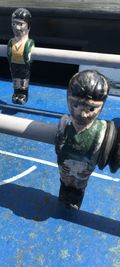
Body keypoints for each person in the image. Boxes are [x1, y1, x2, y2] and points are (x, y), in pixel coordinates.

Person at [55, 70, 110, 209]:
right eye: (76, 105)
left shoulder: (101, 129)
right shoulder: (64, 123)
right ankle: (65, 192)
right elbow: (58, 146)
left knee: (79, 184)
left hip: (84, 167)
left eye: (91, 108)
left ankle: (76, 197)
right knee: (66, 180)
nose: (83, 114)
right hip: (65, 164)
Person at [7, 8, 35, 104]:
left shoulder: (29, 42)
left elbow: (29, 55)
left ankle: (23, 94)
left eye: (20, 24)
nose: (16, 28)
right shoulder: (11, 42)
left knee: (23, 81)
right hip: (14, 65)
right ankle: (16, 93)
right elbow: (9, 53)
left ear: (28, 26)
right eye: (14, 24)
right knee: (15, 80)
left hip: (24, 66)